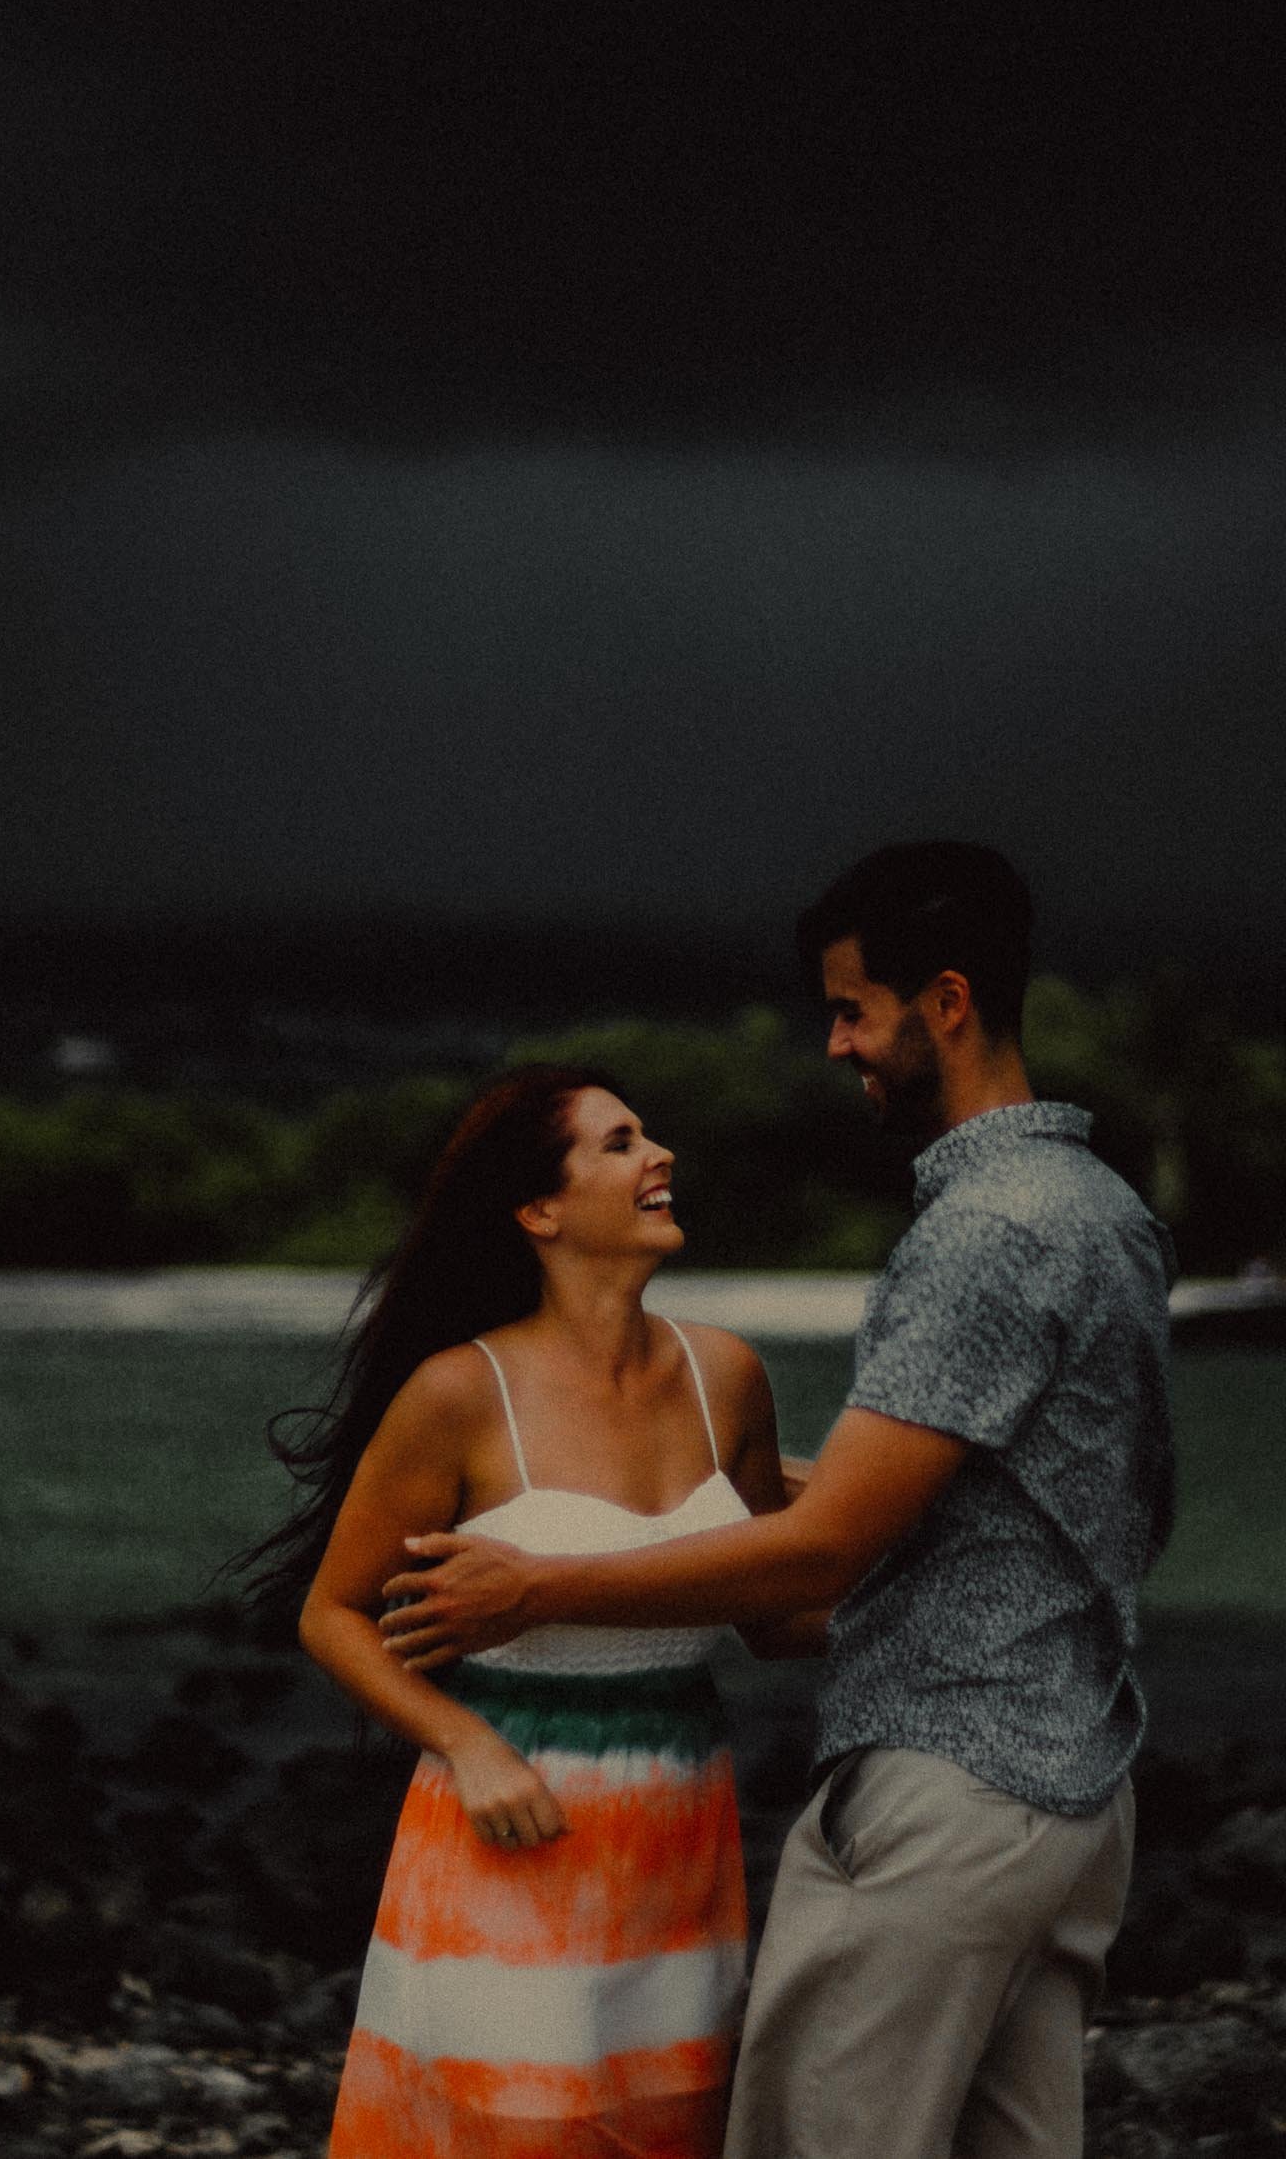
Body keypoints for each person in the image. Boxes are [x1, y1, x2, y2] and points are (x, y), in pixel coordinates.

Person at [381, 843, 1176, 2159]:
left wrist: (538, 1585)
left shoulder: (984, 1233)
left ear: (950, 1004)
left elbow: (820, 1549)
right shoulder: (1105, 1212)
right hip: (1077, 1801)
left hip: (951, 1793)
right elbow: (1038, 1498)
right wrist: (666, 1486)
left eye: (855, 1010)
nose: (835, 1045)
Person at [239, 1062, 820, 2159]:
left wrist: (966, 1593)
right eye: (617, 1142)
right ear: (539, 1210)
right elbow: (330, 1613)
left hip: (680, 1832)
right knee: (516, 2132)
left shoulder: (726, 1377)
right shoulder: (459, 1393)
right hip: (508, 1834)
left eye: (645, 1134)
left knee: (669, 2131)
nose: (659, 1156)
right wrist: (464, 1742)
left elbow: (776, 1610)